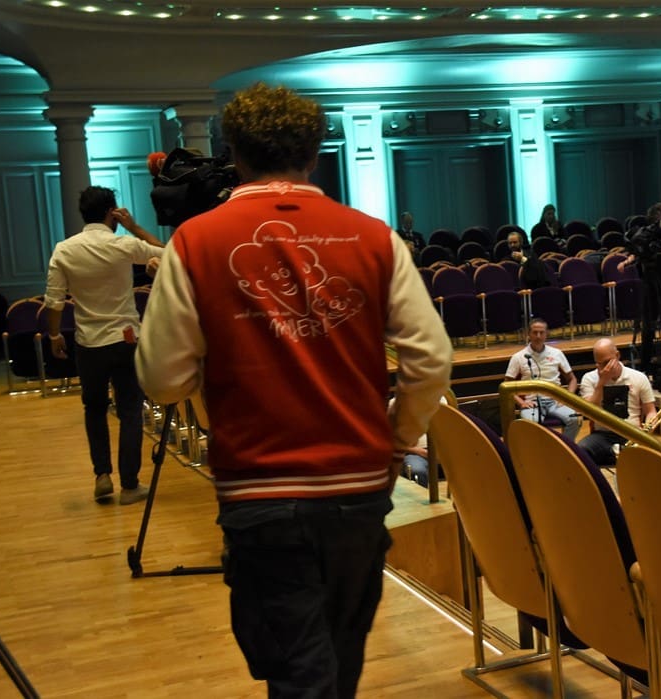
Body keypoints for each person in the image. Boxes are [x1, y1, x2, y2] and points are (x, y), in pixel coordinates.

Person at [135, 82, 452, 698]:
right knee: (339, 663)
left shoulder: (194, 242)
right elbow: (431, 359)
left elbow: (161, 379)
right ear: (314, 154)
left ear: (235, 154)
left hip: (260, 489)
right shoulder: (374, 236)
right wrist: (396, 442)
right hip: (358, 487)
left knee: (300, 675)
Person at [44, 185, 164, 505]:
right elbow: (166, 253)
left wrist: (54, 336)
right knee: (130, 411)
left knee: (94, 409)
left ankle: (102, 475)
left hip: (88, 342)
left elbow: (54, 301)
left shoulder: (64, 249)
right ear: (112, 213)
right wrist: (134, 227)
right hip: (125, 338)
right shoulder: (122, 244)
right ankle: (130, 486)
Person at [618, 202, 661, 389]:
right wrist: (627, 261)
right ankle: (645, 368)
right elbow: (637, 253)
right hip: (649, 283)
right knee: (648, 328)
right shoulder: (647, 236)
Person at [577, 337, 656, 466]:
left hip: (632, 433)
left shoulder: (639, 377)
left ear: (617, 356)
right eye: (599, 364)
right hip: (602, 435)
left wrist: (647, 430)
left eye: (607, 362)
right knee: (581, 451)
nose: (604, 368)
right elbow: (588, 411)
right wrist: (601, 382)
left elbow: (651, 411)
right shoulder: (589, 379)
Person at [504, 317, 580, 440]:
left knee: (574, 419)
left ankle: (564, 448)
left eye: (541, 332)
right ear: (528, 334)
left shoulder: (557, 353)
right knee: (530, 424)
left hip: (555, 401)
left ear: (546, 334)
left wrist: (567, 398)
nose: (538, 336)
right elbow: (506, 386)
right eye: (535, 332)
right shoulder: (518, 357)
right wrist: (522, 403)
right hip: (532, 403)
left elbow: (572, 380)